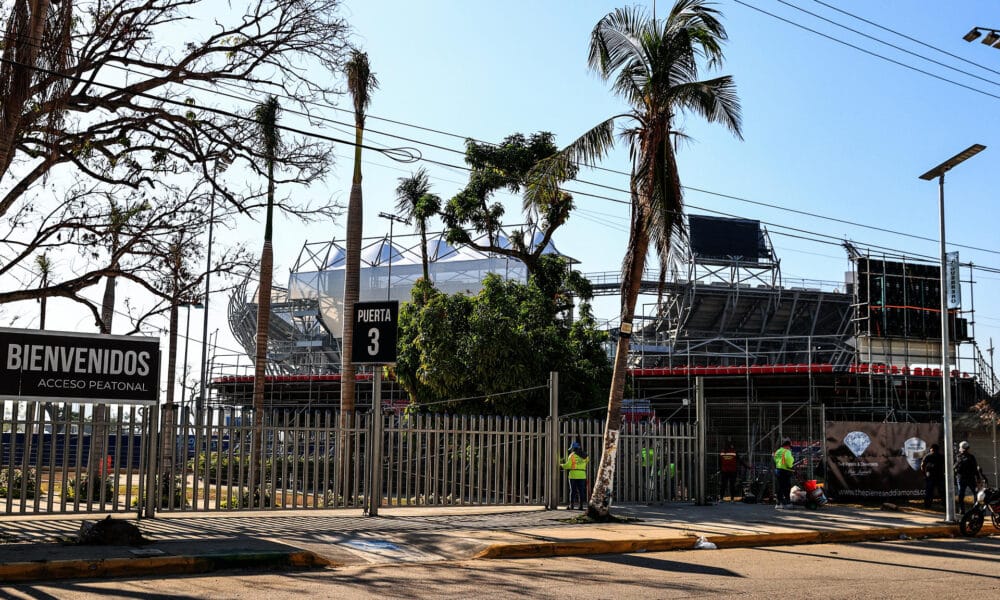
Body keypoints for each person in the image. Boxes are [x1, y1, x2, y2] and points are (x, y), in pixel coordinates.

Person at [954, 440, 983, 513]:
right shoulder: (959, 457)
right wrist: (978, 477)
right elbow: (955, 468)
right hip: (964, 478)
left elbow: (975, 468)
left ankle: (972, 509)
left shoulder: (963, 457)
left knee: (972, 493)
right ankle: (964, 509)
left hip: (966, 478)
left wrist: (978, 477)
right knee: (963, 494)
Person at [560, 441, 589, 510]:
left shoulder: (572, 455)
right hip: (582, 475)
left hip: (573, 475)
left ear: (573, 448)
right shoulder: (585, 456)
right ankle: (581, 506)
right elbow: (587, 461)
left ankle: (571, 505)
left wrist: (561, 465)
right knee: (581, 491)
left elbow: (568, 465)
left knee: (573, 491)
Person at [920, 443, 945, 508]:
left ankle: (927, 505)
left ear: (931, 449)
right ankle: (944, 504)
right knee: (942, 492)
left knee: (929, 492)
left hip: (931, 476)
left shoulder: (927, 456)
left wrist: (925, 474)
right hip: (939, 476)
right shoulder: (941, 456)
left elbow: (922, 466)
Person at [773, 437, 794, 509]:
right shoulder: (787, 451)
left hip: (778, 470)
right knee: (787, 487)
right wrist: (790, 465)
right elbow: (789, 460)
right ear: (787, 446)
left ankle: (778, 503)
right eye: (789, 447)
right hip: (785, 471)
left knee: (780, 487)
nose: (789, 448)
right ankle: (787, 503)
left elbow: (775, 459)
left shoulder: (777, 451)